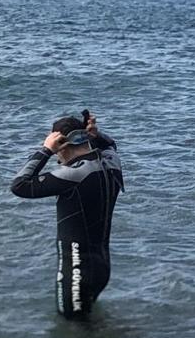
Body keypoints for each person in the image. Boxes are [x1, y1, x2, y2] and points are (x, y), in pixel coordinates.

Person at [11, 112, 124, 319]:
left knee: (76, 336)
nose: (57, 157)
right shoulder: (111, 162)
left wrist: (45, 150)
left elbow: (19, 185)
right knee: (91, 329)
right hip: (102, 267)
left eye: (56, 151)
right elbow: (110, 145)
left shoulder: (73, 174)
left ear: (62, 144)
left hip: (76, 276)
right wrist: (95, 134)